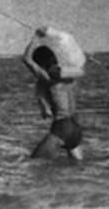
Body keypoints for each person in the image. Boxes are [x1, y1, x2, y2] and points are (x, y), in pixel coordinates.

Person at [22, 28, 83, 161]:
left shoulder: (48, 77)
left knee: (33, 164)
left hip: (62, 127)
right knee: (78, 167)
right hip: (76, 127)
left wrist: (35, 38)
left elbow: (26, 59)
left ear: (40, 63)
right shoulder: (69, 77)